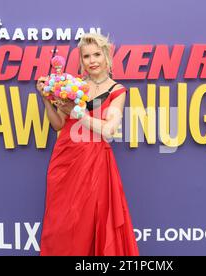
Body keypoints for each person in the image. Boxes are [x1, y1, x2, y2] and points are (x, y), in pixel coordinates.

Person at [35, 33, 139, 256]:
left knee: (87, 226)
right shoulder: (73, 86)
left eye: (96, 55)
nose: (92, 61)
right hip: (64, 160)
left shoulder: (117, 91)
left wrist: (78, 114)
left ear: (106, 56)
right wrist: (46, 98)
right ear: (81, 61)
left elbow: (109, 130)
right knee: (60, 226)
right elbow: (58, 124)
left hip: (94, 164)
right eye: (86, 56)